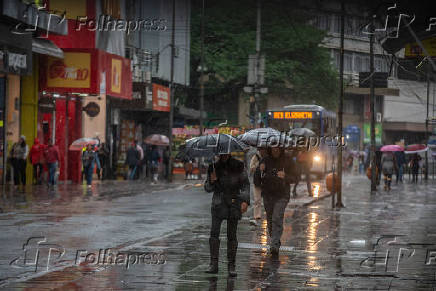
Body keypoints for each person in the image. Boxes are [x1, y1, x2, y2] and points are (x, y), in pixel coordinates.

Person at [204, 153, 250, 276]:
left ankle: (231, 265)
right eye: (221, 153)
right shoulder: (213, 167)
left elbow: (246, 184)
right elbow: (207, 188)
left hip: (233, 203)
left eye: (226, 152)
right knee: (214, 233)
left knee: (232, 235)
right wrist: (212, 181)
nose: (223, 155)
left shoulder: (239, 165)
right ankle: (213, 264)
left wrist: (245, 200)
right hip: (218, 204)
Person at [254, 147, 295, 257]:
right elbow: (256, 181)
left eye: (277, 148)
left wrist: (285, 176)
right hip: (268, 195)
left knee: (277, 217)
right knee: (270, 219)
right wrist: (259, 170)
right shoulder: (264, 160)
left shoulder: (287, 160)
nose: (275, 150)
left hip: (282, 195)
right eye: (273, 148)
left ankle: (274, 245)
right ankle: (275, 240)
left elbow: (296, 177)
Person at [249, 147, 267, 225]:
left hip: (267, 181)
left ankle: (269, 213)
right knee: (257, 199)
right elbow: (251, 168)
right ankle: (257, 215)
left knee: (267, 198)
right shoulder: (256, 157)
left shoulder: (268, 156)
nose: (262, 151)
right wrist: (258, 165)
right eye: (261, 149)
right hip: (257, 180)